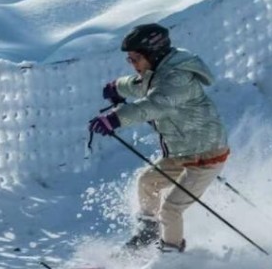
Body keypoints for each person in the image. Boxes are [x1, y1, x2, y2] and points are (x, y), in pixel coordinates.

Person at [88, 23, 229, 253]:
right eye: (130, 60)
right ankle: (148, 234)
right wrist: (117, 87)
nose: (132, 65)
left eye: (135, 59)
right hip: (183, 152)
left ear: (152, 54)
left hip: (207, 155)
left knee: (170, 209)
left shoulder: (176, 79)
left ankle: (171, 255)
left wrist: (116, 119)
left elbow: (154, 104)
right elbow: (142, 85)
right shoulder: (159, 71)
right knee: (147, 182)